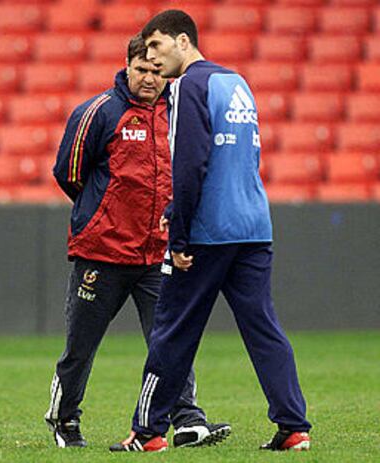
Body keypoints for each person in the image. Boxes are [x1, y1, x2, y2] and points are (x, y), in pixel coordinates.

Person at [110, 10, 312, 453]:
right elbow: (233, 159)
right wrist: (174, 208)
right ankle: (294, 427)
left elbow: (191, 163)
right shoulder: (236, 82)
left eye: (157, 47)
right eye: (144, 53)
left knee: (172, 330)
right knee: (264, 330)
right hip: (254, 227)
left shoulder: (188, 87)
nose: (152, 59)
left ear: (183, 41)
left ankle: (147, 432)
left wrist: (179, 235)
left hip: (207, 234)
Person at [45, 34, 230, 449]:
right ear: (127, 67)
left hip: (156, 254)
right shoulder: (97, 112)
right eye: (142, 69)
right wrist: (101, 211)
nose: (149, 78)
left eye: (156, 71)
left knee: (170, 340)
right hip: (102, 252)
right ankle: (64, 418)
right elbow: (68, 173)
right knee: (80, 346)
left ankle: (187, 420)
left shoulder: (179, 114)